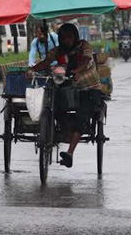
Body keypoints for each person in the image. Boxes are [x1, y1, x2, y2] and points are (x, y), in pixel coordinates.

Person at [27, 23, 102, 168]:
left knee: (82, 116)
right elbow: (46, 62)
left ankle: (69, 153)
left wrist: (79, 70)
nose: (66, 40)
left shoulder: (84, 46)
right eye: (63, 38)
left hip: (89, 88)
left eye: (69, 37)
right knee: (56, 107)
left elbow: (87, 61)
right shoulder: (58, 50)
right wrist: (32, 70)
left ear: (75, 37)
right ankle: (66, 132)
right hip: (69, 88)